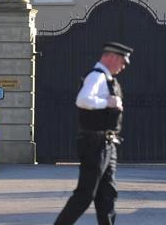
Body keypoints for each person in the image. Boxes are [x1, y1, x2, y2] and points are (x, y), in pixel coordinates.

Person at [55, 41, 133, 225]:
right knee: (85, 194)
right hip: (95, 143)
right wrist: (107, 103)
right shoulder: (96, 76)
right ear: (111, 57)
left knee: (107, 195)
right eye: (122, 61)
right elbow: (82, 100)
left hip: (107, 144)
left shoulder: (107, 79)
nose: (123, 66)